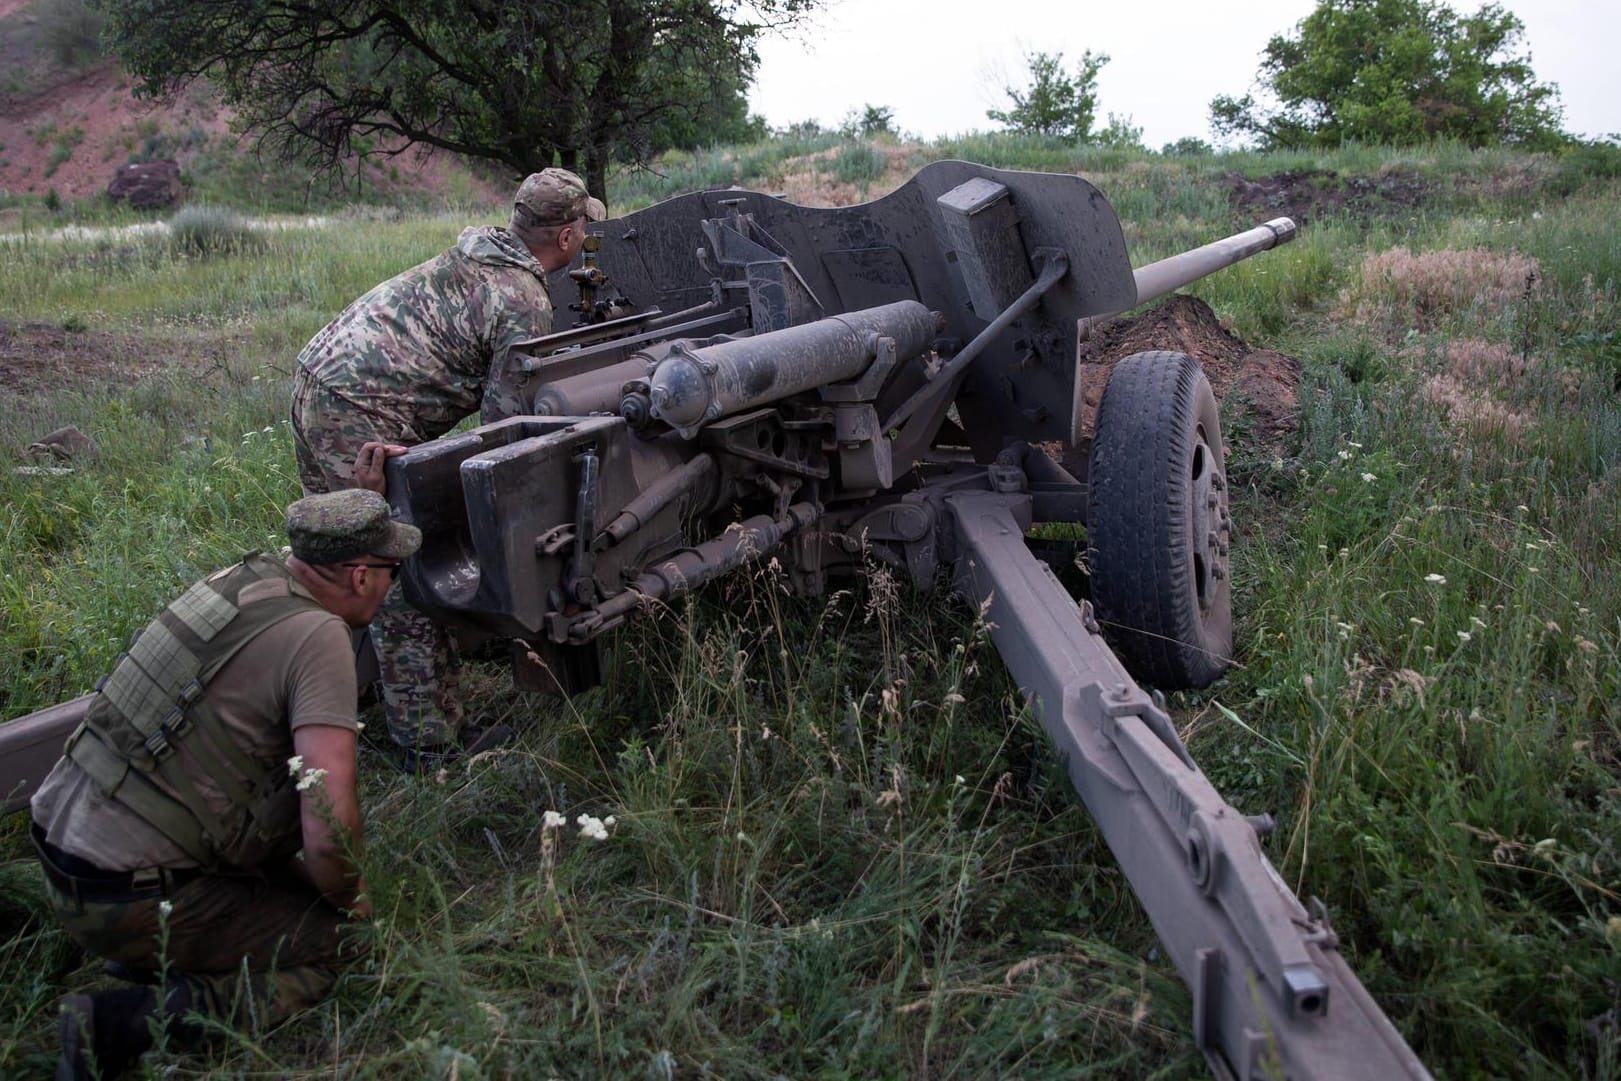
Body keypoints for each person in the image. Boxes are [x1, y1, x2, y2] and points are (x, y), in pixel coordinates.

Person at [30, 489, 419, 1081]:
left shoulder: (239, 580)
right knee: (340, 945)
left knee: (288, 895)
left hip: (66, 850)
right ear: (361, 575)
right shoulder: (320, 637)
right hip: (123, 897)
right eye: (393, 571)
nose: (394, 584)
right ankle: (115, 1025)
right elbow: (327, 823)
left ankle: (159, 955)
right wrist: (353, 903)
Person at [289, 167, 606, 765]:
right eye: (583, 224)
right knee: (391, 568)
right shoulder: (522, 301)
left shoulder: (480, 250)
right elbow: (502, 433)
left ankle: (332, 690)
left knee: (333, 554)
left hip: (318, 377)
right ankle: (429, 744)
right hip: (358, 411)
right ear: (566, 237)